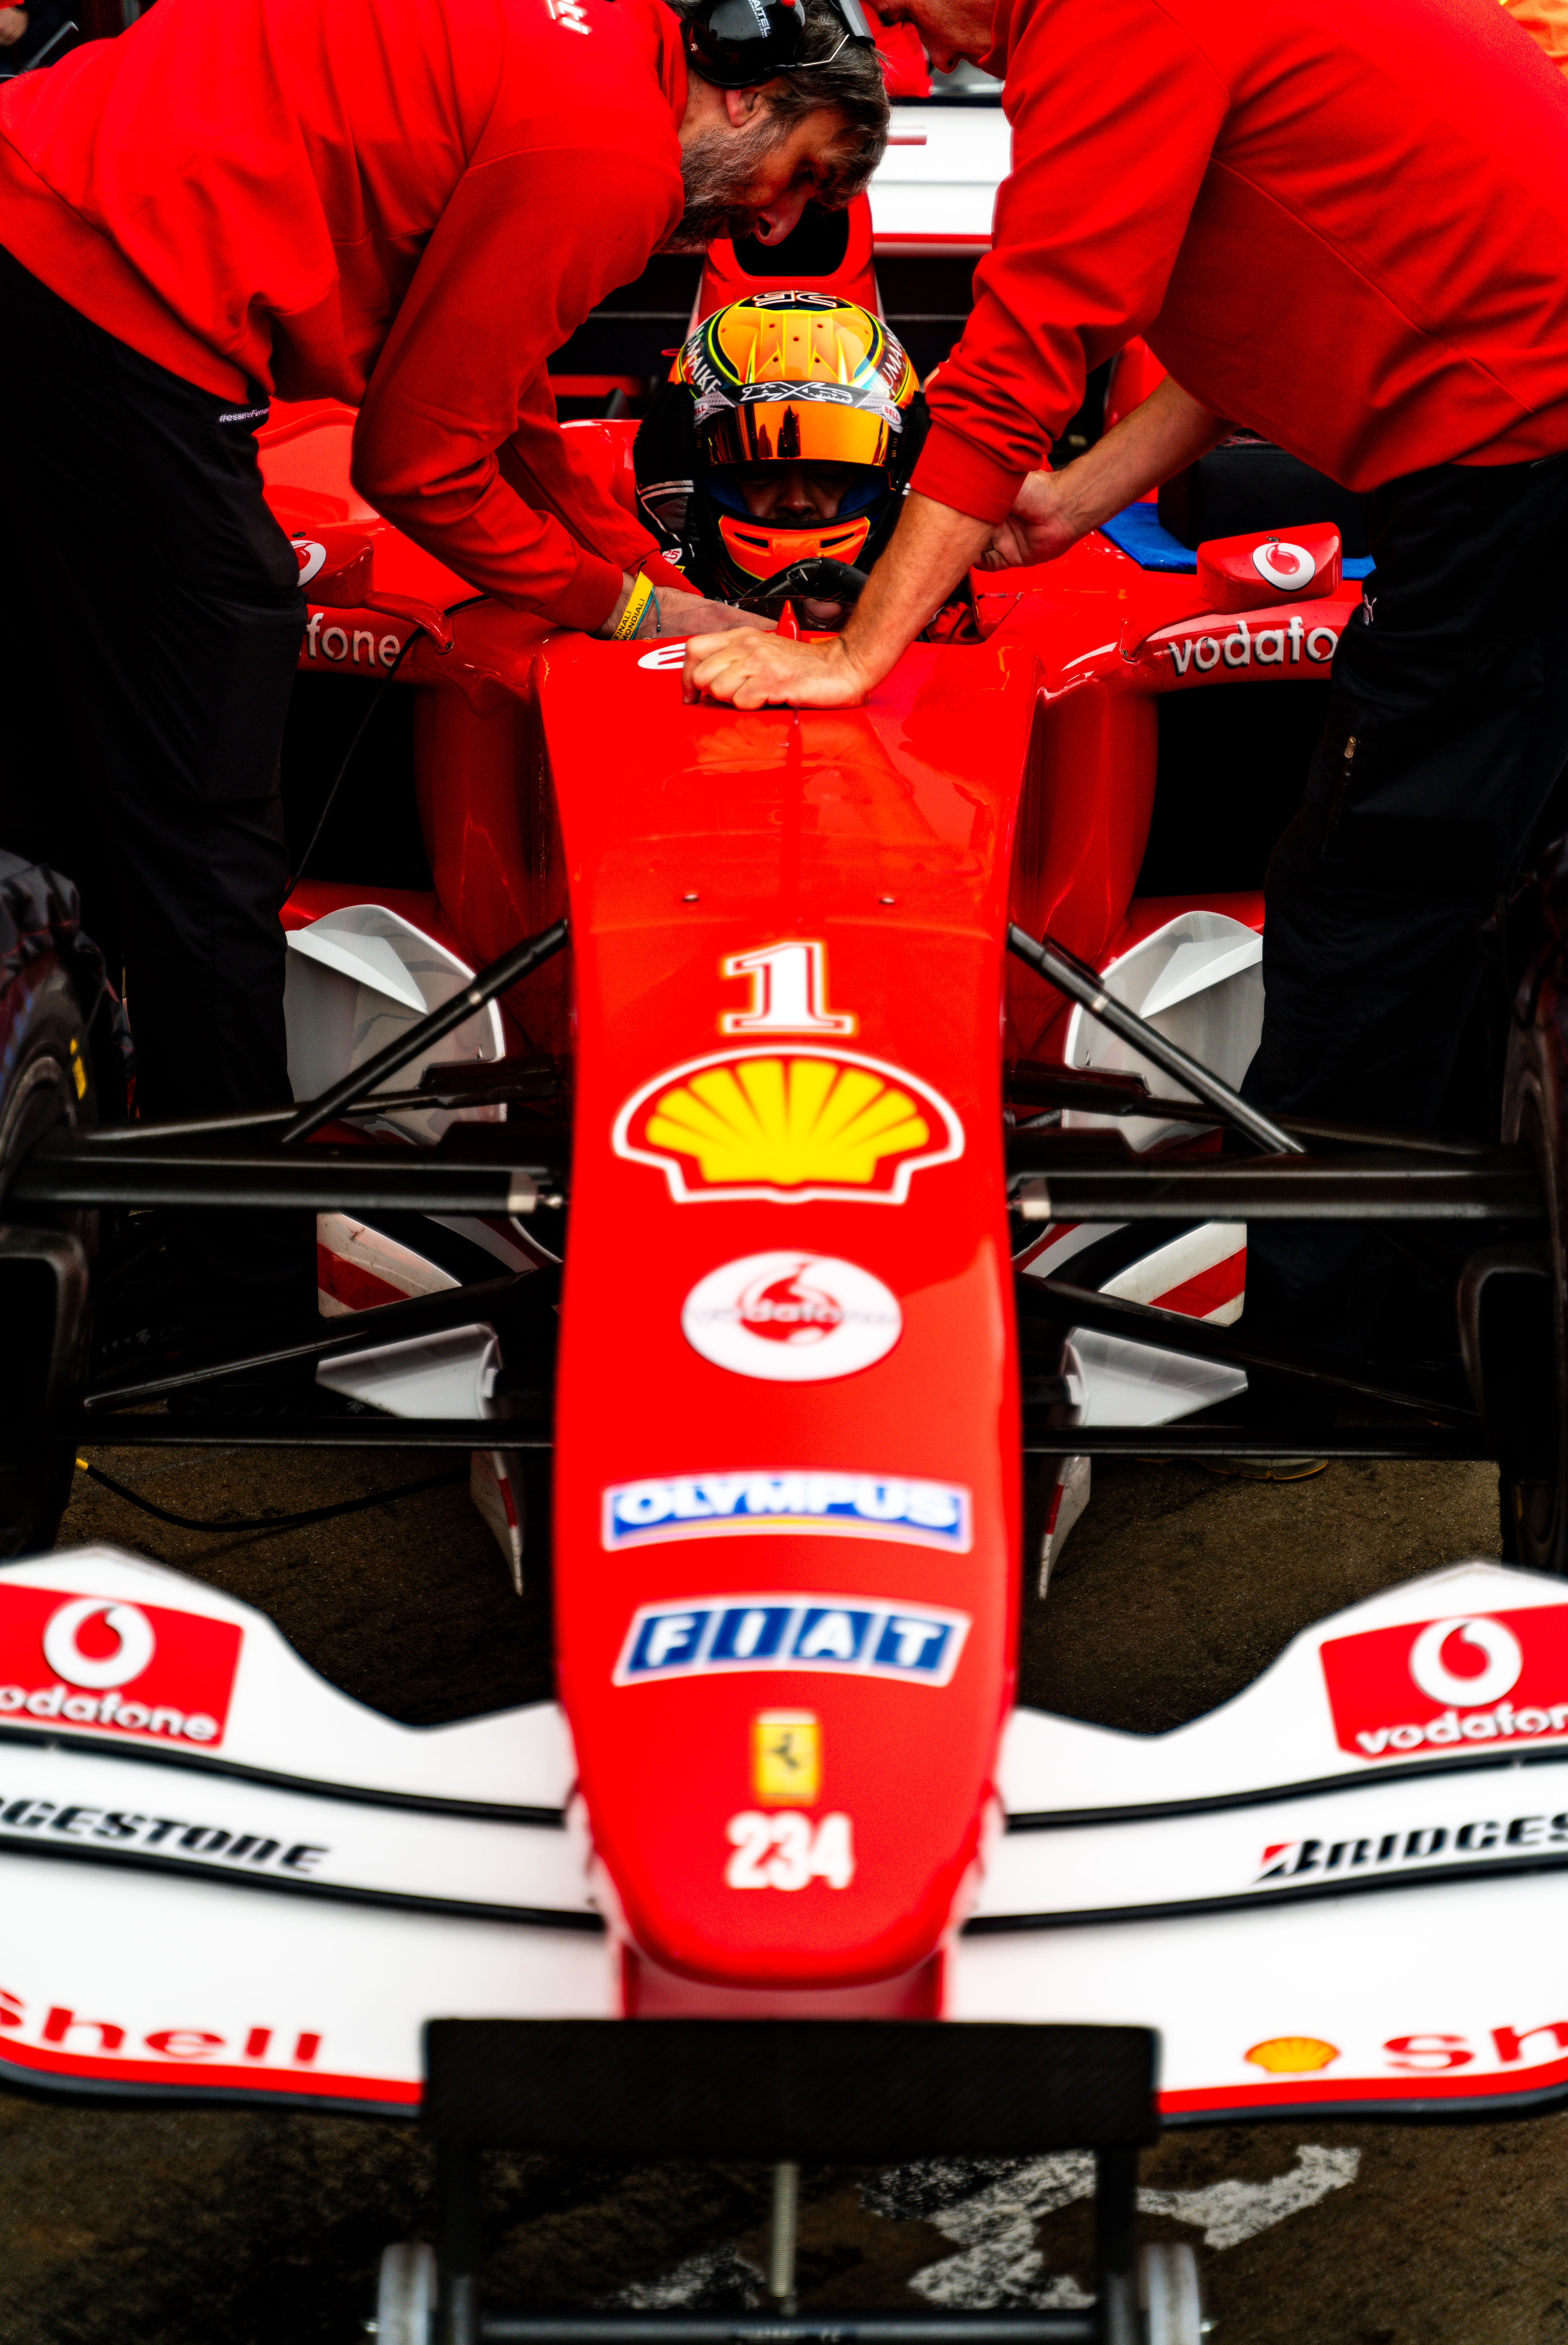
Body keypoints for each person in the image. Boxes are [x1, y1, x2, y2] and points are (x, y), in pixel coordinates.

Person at [685, 0, 1568, 1411]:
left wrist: (855, 653)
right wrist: (1078, 500)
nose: (925, 36)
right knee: (1474, 888)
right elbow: (1255, 296)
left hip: (1516, 456)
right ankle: (1453, 1312)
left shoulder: (1114, 23)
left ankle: (1332, 1365)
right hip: (1512, 441)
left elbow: (1020, 353)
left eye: (912, 8)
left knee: (1368, 898)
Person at [0, 0, 886, 1336]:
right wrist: (622, 604)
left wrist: (645, 579)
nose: (773, 222)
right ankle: (230, 1311)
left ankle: (67, 1117)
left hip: (40, 215)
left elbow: (501, 397)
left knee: (55, 755)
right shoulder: (615, 157)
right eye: (801, 175)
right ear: (749, 94)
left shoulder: (594, 60)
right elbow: (416, 459)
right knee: (208, 816)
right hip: (110, 287)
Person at [634, 291, 925, 628]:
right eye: (761, 473)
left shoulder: (962, 604)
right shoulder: (619, 573)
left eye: (830, 474)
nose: (796, 502)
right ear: (686, 464)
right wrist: (678, 581)